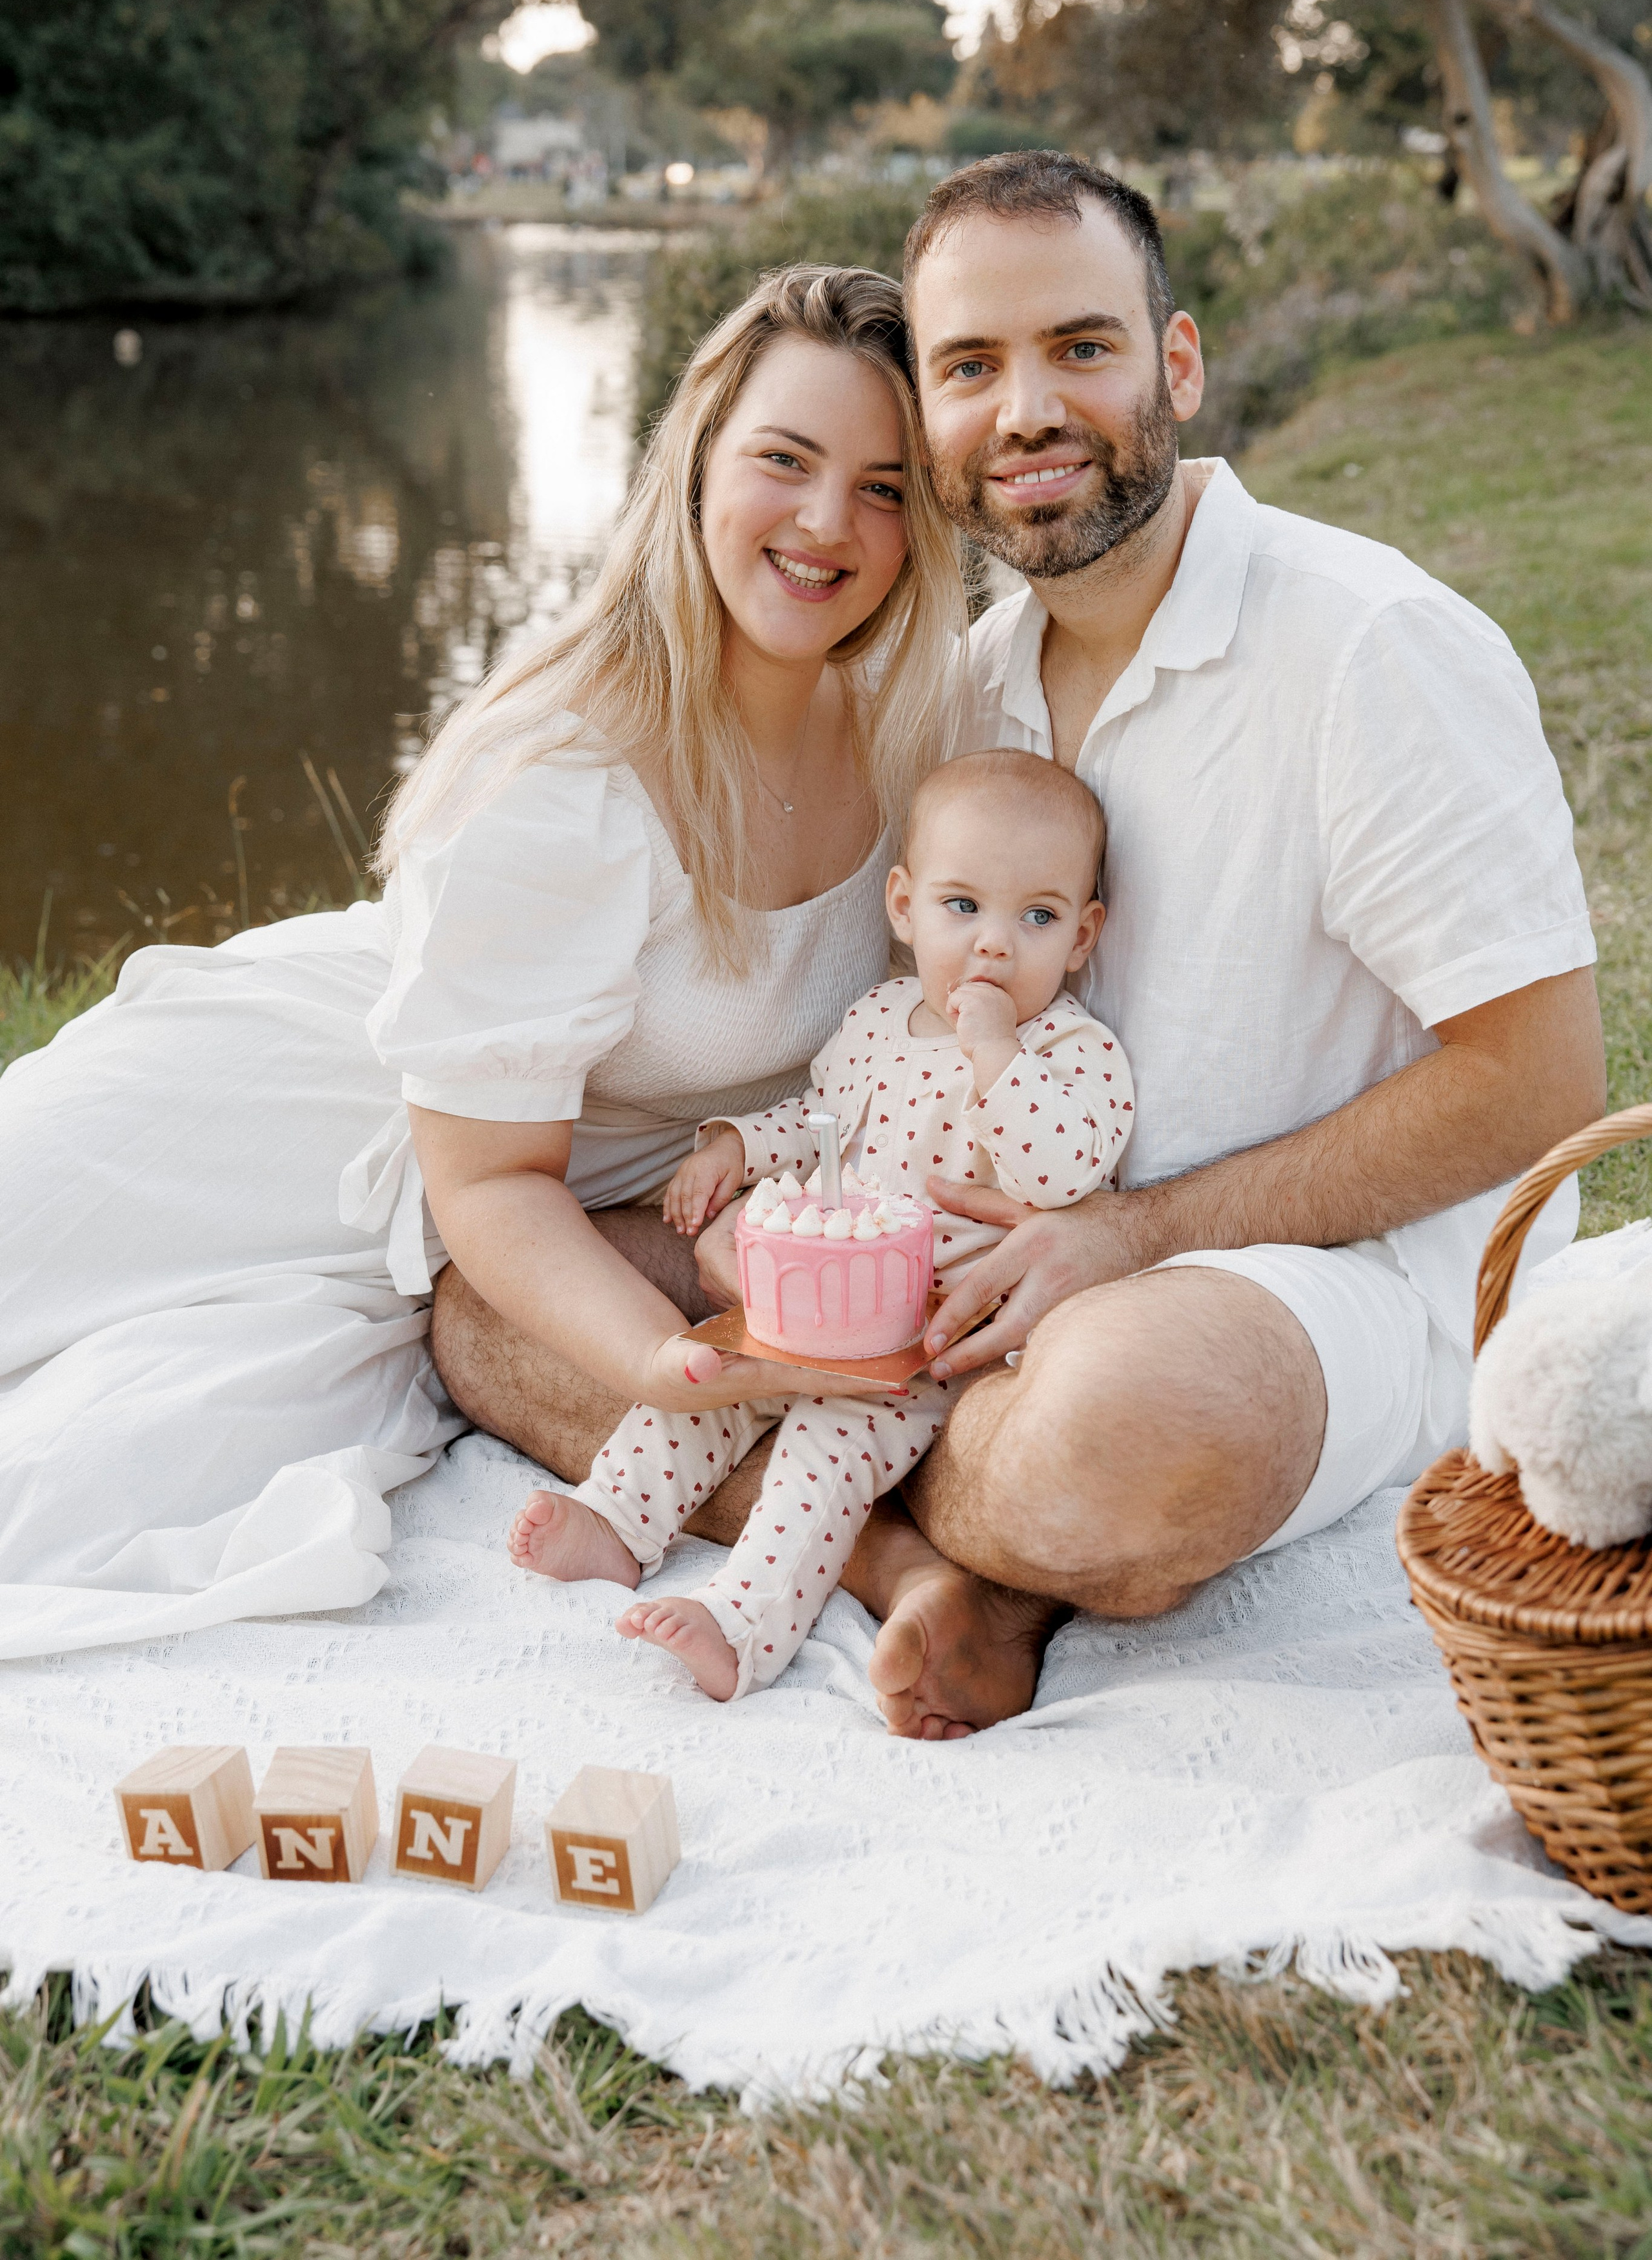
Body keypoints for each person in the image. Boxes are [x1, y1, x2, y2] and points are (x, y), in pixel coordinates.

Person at [478, 148, 1599, 1740]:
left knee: (1133, 1422)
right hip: (966, 1275)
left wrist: (1129, 1238)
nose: (1024, 413)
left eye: (1079, 348)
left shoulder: (1368, 649)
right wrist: (773, 1217)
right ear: (927, 419)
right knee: (499, 1298)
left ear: (1178, 364)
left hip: (1284, 1282)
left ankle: (947, 1523)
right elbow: (912, 1032)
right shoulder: (971, 689)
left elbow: (1541, 1081)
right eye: (968, 370)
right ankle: (925, 1572)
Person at [0, 264, 967, 1655]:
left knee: (144, 1444)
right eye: (784, 460)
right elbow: (487, 1181)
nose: (829, 522)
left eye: (884, 486)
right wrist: (650, 1360)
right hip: (306, 1108)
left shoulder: (910, 733)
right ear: (696, 466)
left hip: (542, 1188)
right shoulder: (569, 768)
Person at [503, 748, 1129, 1709]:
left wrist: (995, 1051)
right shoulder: (881, 1018)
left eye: (1036, 918)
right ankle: (616, 1522)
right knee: (711, 1381)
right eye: (963, 908)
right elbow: (819, 1118)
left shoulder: (1070, 1053)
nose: (994, 945)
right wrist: (737, 1147)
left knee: (823, 1453)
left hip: (927, 1343)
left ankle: (744, 1624)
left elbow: (1064, 1171)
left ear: (1083, 937)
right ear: (904, 908)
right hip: (818, 1295)